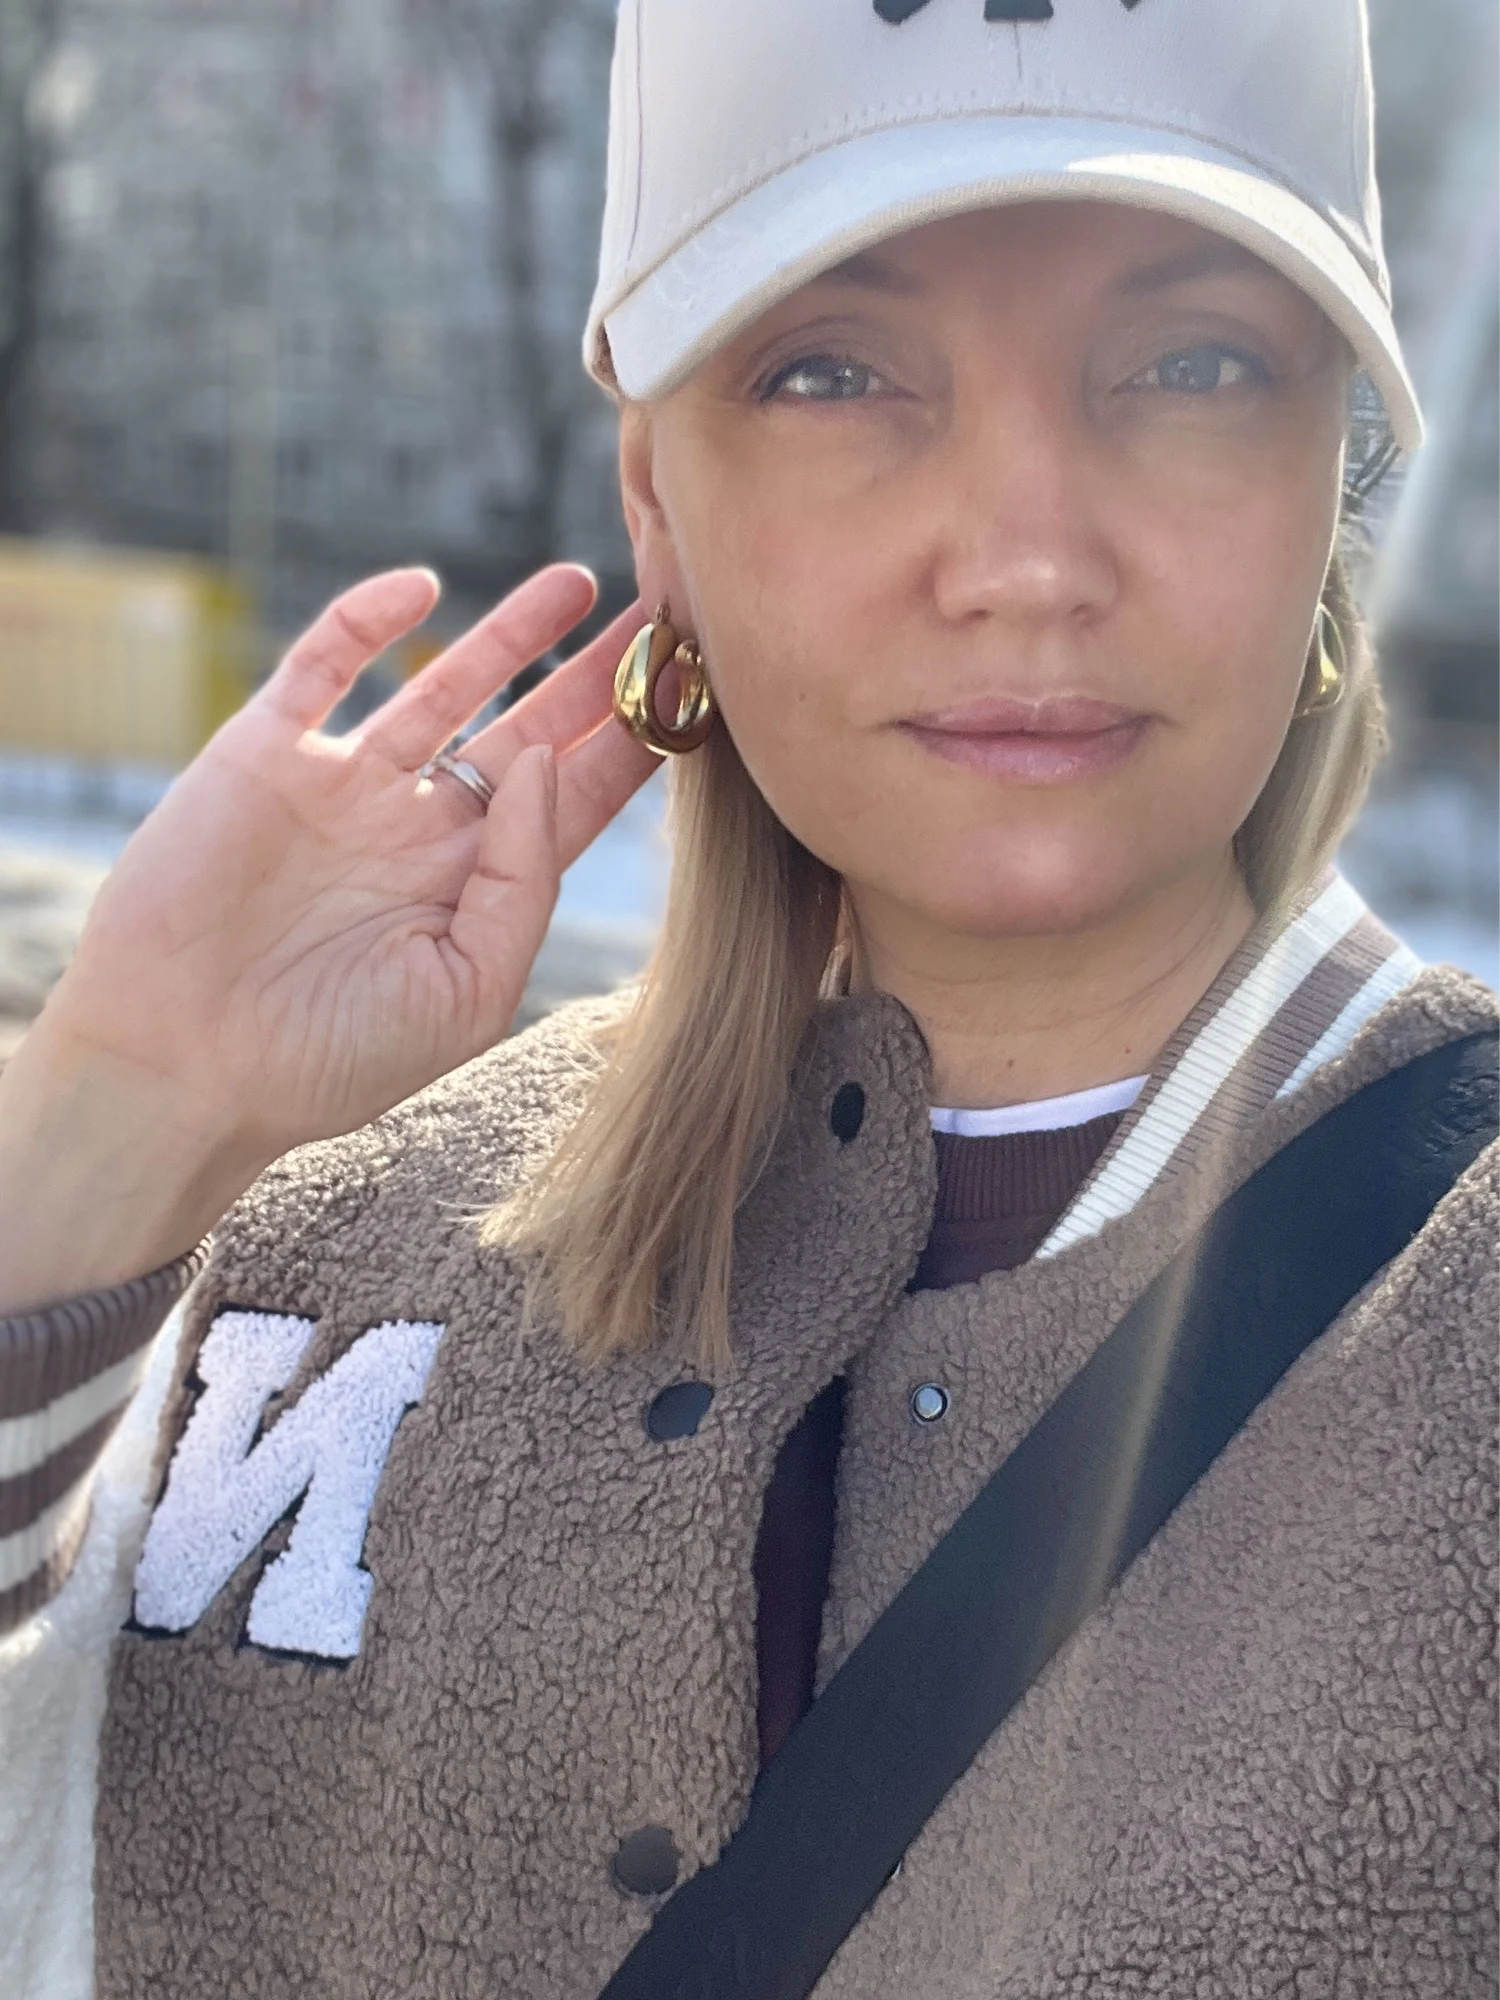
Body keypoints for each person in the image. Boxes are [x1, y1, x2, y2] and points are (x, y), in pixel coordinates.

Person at [0, 0, 1494, 1994]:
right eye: (833, 372)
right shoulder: (311, 1267)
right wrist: (115, 1114)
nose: (1027, 558)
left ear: (1333, 483)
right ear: (657, 509)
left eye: (1195, 364)